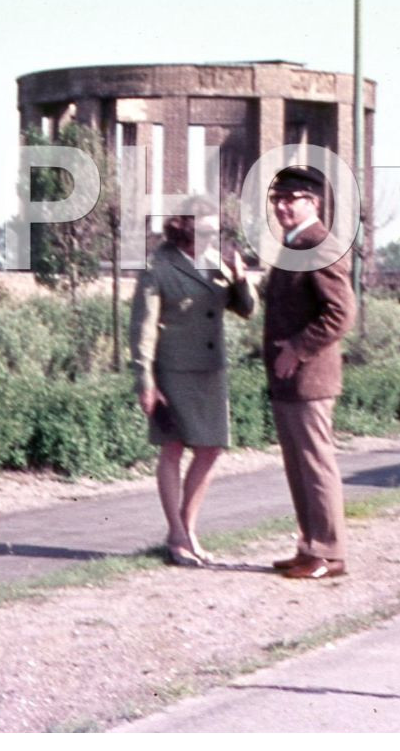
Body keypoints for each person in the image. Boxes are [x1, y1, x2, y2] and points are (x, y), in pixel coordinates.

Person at [129, 195, 256, 567]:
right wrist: (145, 379)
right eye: (206, 229)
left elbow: (246, 310)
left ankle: (187, 527)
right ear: (184, 226)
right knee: (173, 448)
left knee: (211, 448)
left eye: (217, 230)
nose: (213, 236)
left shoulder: (216, 260)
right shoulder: (158, 267)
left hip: (211, 369)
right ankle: (178, 535)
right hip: (172, 370)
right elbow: (143, 328)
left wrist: (241, 279)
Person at [262, 166, 356, 580]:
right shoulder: (294, 244)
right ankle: (309, 545)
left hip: (308, 377)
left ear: (313, 203)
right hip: (289, 378)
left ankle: (329, 552)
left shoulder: (319, 244)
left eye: (291, 199)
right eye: (277, 199)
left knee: (316, 464)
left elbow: (342, 312)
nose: (283, 206)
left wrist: (298, 350)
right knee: (298, 465)